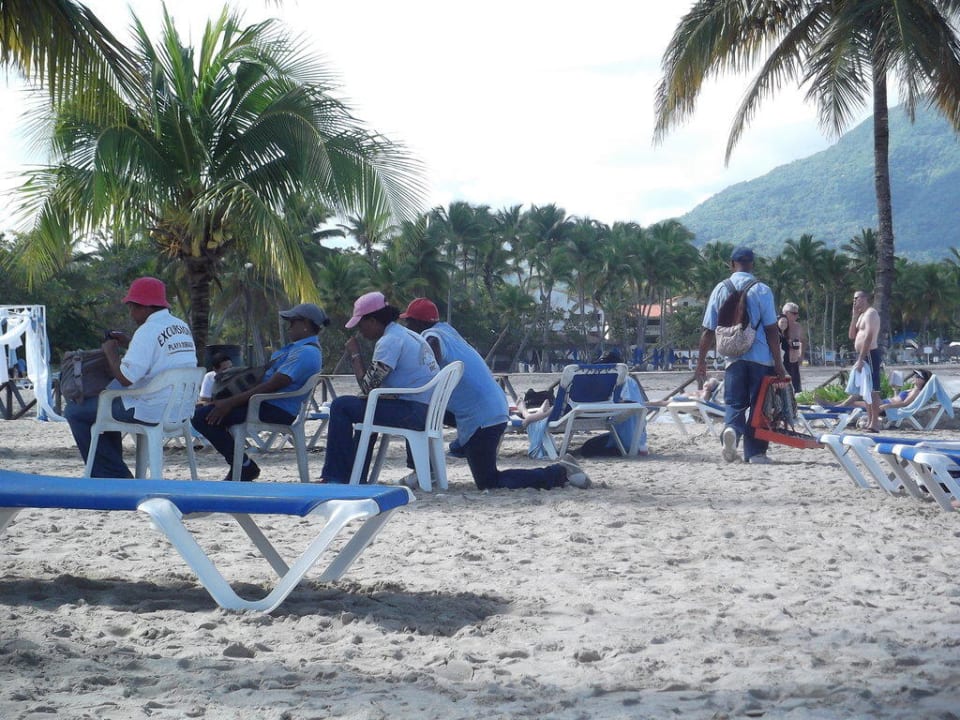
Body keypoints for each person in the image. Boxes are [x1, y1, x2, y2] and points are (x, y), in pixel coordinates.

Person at [398, 297, 589, 489]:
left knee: (488, 481)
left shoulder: (431, 336)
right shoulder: (447, 332)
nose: (407, 327)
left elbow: (432, 347)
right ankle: (428, 468)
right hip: (491, 409)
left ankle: (561, 471)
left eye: (409, 322)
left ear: (418, 323)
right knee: (418, 413)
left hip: (482, 418)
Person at [65, 277, 197, 478]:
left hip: (151, 410)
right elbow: (158, 356)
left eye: (132, 307)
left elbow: (126, 379)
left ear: (145, 307)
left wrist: (110, 352)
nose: (131, 313)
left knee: (75, 411)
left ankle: (115, 476)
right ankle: (112, 473)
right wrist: (130, 342)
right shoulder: (181, 326)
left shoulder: (147, 330)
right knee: (103, 409)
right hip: (179, 409)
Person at [192, 303, 326, 481]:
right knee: (206, 413)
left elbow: (272, 385)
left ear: (305, 324)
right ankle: (241, 465)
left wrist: (229, 403)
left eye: (292, 322)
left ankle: (244, 466)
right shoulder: (300, 349)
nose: (289, 327)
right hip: (266, 404)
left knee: (202, 417)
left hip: (274, 408)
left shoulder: (306, 352)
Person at [318, 292, 439, 485]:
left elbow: (367, 387)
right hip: (426, 410)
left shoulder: (389, 341)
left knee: (340, 406)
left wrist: (355, 354)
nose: (360, 331)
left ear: (373, 321)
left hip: (413, 411)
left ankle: (335, 477)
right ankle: (355, 477)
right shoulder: (407, 335)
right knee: (365, 409)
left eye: (361, 325)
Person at [695, 247, 787, 464]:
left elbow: (708, 330)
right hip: (761, 358)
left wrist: (701, 362)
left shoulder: (720, 288)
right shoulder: (762, 290)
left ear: (731, 264)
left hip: (733, 358)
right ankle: (755, 453)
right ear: (752, 264)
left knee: (735, 403)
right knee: (760, 406)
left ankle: (732, 431)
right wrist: (778, 363)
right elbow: (772, 330)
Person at [844, 290, 882, 432]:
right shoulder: (861, 315)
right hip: (862, 354)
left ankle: (874, 423)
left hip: (869, 354)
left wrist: (861, 359)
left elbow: (869, 336)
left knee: (873, 390)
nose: (854, 301)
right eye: (854, 299)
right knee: (866, 390)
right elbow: (851, 335)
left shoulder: (871, 313)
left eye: (857, 298)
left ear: (864, 298)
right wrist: (854, 316)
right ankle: (869, 422)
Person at [777, 302, 804, 392]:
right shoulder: (780, 326)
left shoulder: (797, 326)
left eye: (797, 313)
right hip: (783, 362)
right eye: (794, 313)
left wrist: (801, 355)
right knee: (785, 389)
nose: (797, 316)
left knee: (797, 389)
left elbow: (803, 341)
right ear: (786, 313)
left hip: (794, 362)